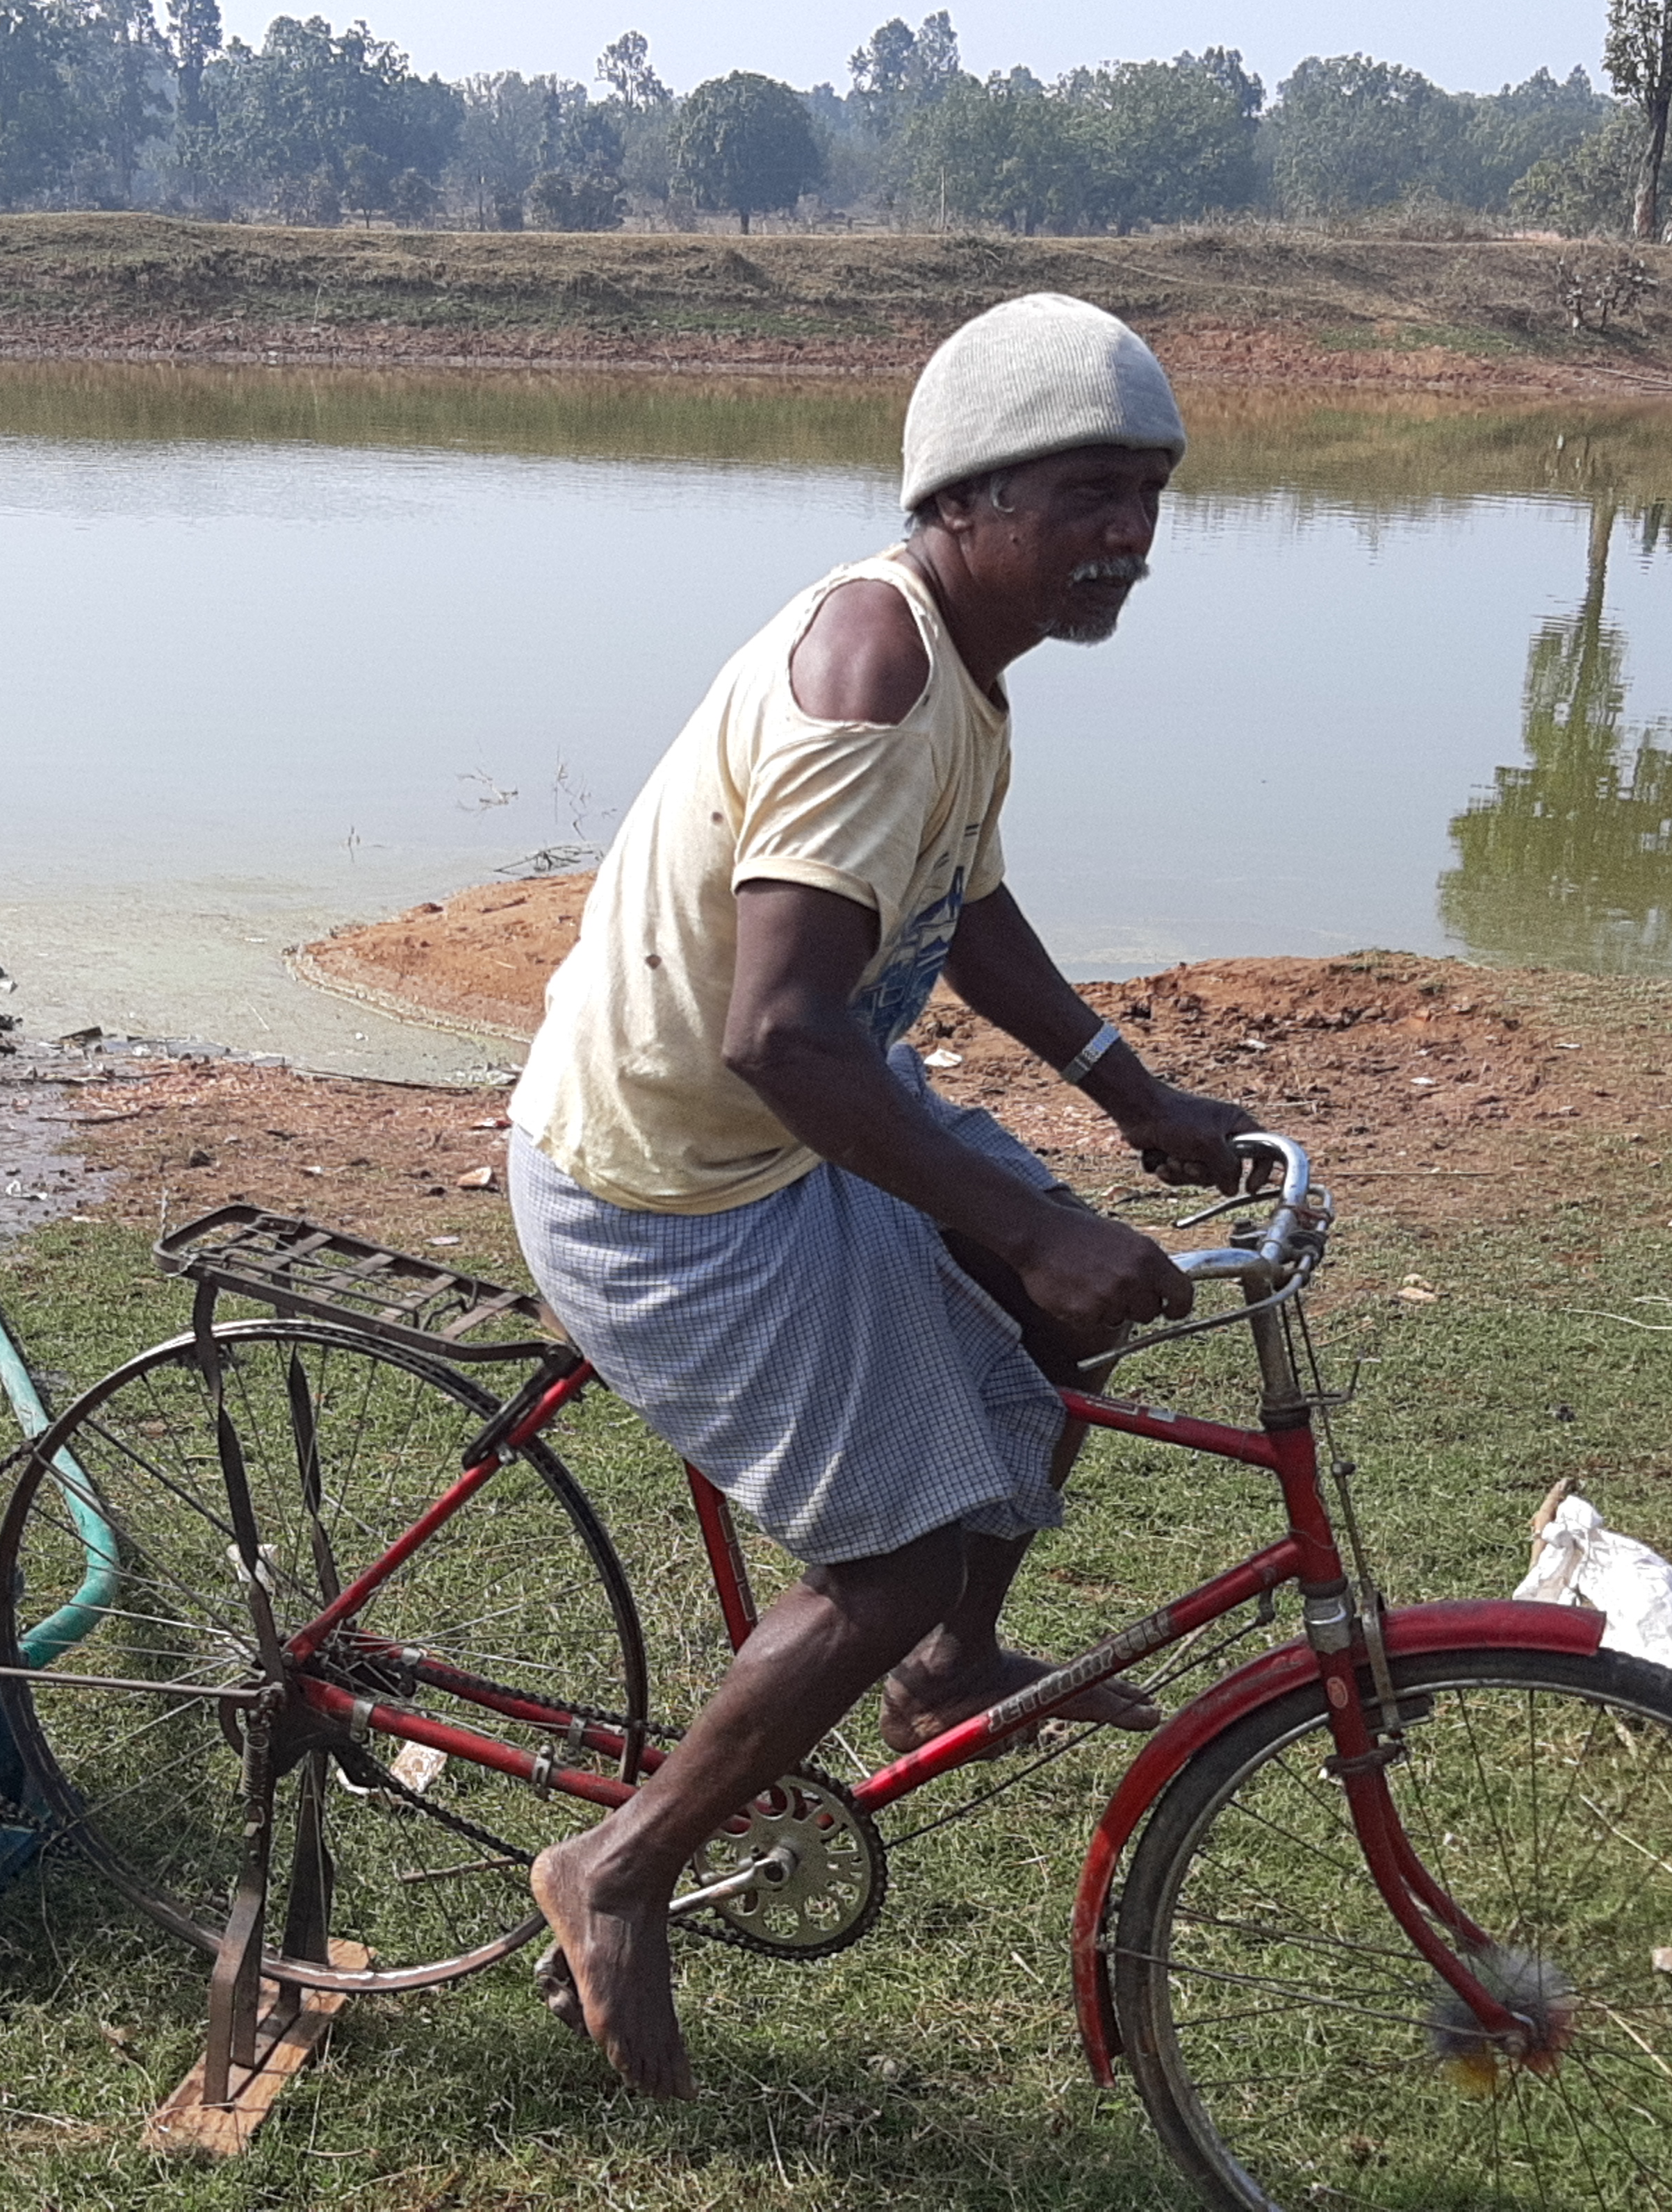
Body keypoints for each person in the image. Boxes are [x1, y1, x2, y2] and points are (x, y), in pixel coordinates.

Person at [505, 292, 1260, 2099]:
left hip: (794, 1119)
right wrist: (1032, 1218)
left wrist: (1127, 1098)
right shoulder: (874, 677)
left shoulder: (962, 673)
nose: (1130, 537)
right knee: (905, 1527)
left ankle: (948, 1664)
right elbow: (781, 1035)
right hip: (670, 1180)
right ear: (968, 498)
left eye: (1149, 494)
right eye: (1088, 493)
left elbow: (964, 907)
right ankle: (613, 1871)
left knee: (1047, 1318)